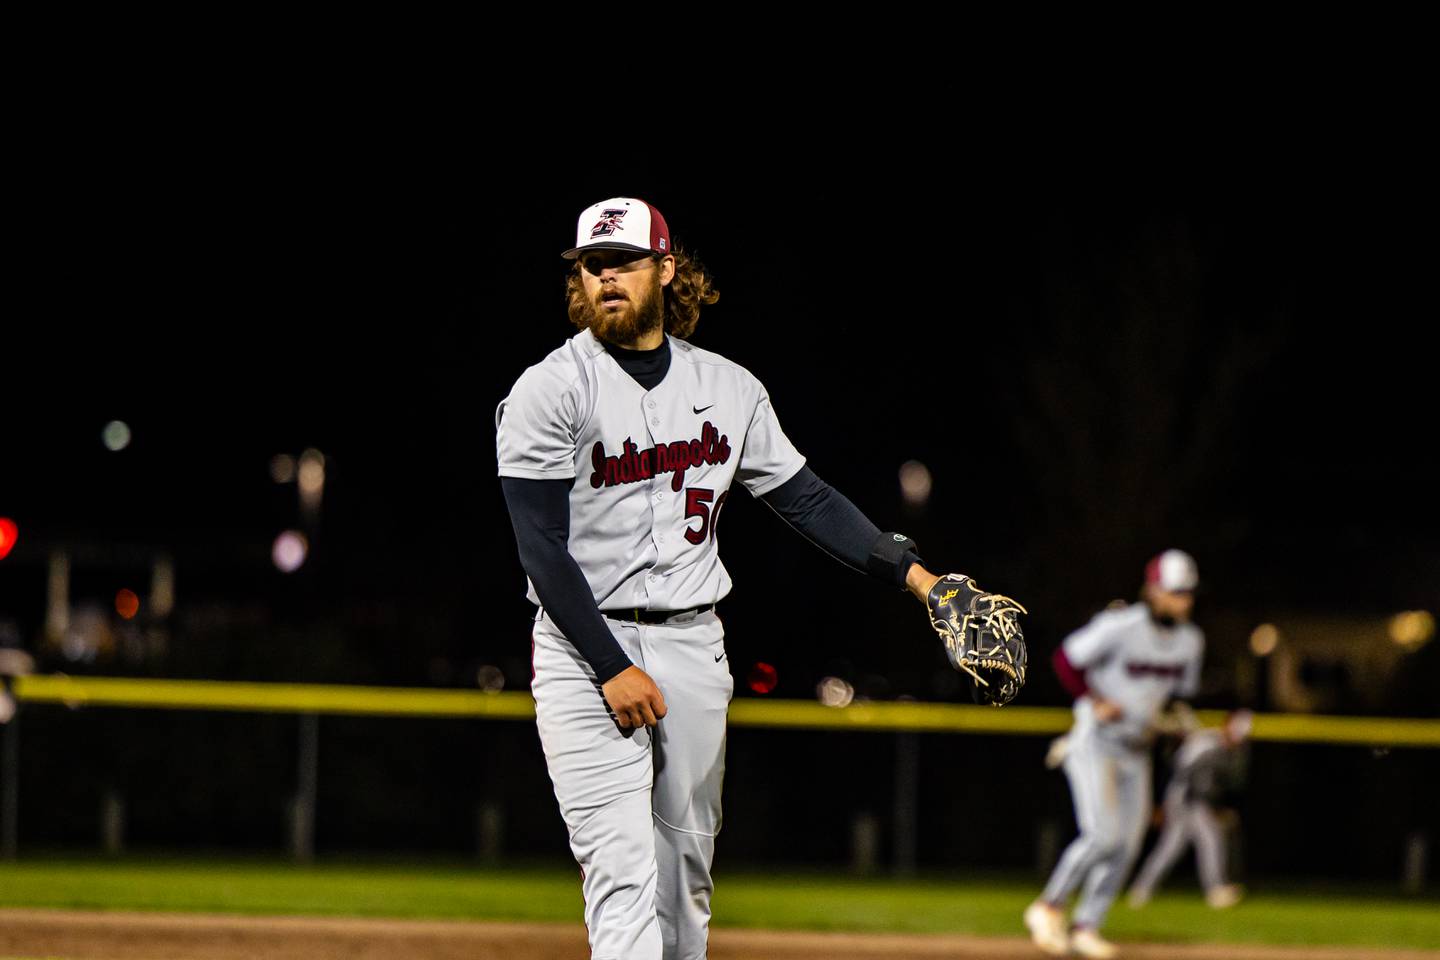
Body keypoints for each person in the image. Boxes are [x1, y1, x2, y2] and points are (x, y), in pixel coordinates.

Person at [495, 197, 994, 960]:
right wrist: (609, 665)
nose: (605, 279)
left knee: (685, 880)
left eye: (622, 262)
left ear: (665, 269)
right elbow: (540, 549)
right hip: (581, 647)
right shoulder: (550, 389)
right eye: (591, 267)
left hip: (694, 646)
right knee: (621, 875)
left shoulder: (728, 387)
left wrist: (921, 580)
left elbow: (807, 499)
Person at [1024, 549, 1205, 959]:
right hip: (1096, 741)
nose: (1183, 600)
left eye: (1188, 592)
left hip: (1137, 750)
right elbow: (1066, 659)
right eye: (1175, 591)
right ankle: (1048, 906)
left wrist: (1175, 722)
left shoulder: (1191, 643)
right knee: (1102, 835)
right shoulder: (1120, 626)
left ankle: (1087, 925)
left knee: (1127, 844)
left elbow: (1176, 697)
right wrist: (1094, 698)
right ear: (1154, 590)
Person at [1127, 709, 1251, 909]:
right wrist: (1163, 803)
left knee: (1171, 847)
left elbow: (1221, 783)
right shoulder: (1207, 743)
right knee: (1210, 840)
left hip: (1194, 799)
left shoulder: (1230, 749)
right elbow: (1182, 771)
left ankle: (1141, 889)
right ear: (1227, 726)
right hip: (1185, 797)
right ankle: (1215, 890)